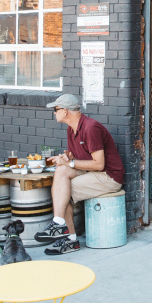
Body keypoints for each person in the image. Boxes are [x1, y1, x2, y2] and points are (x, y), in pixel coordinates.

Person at [35, 94, 125, 255]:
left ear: (65, 111)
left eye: (55, 109)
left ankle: (69, 239)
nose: (54, 113)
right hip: (92, 172)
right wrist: (68, 159)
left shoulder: (90, 128)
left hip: (108, 176)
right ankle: (59, 223)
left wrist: (70, 163)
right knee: (61, 171)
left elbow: (99, 164)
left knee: (64, 190)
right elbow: (78, 160)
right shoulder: (71, 129)